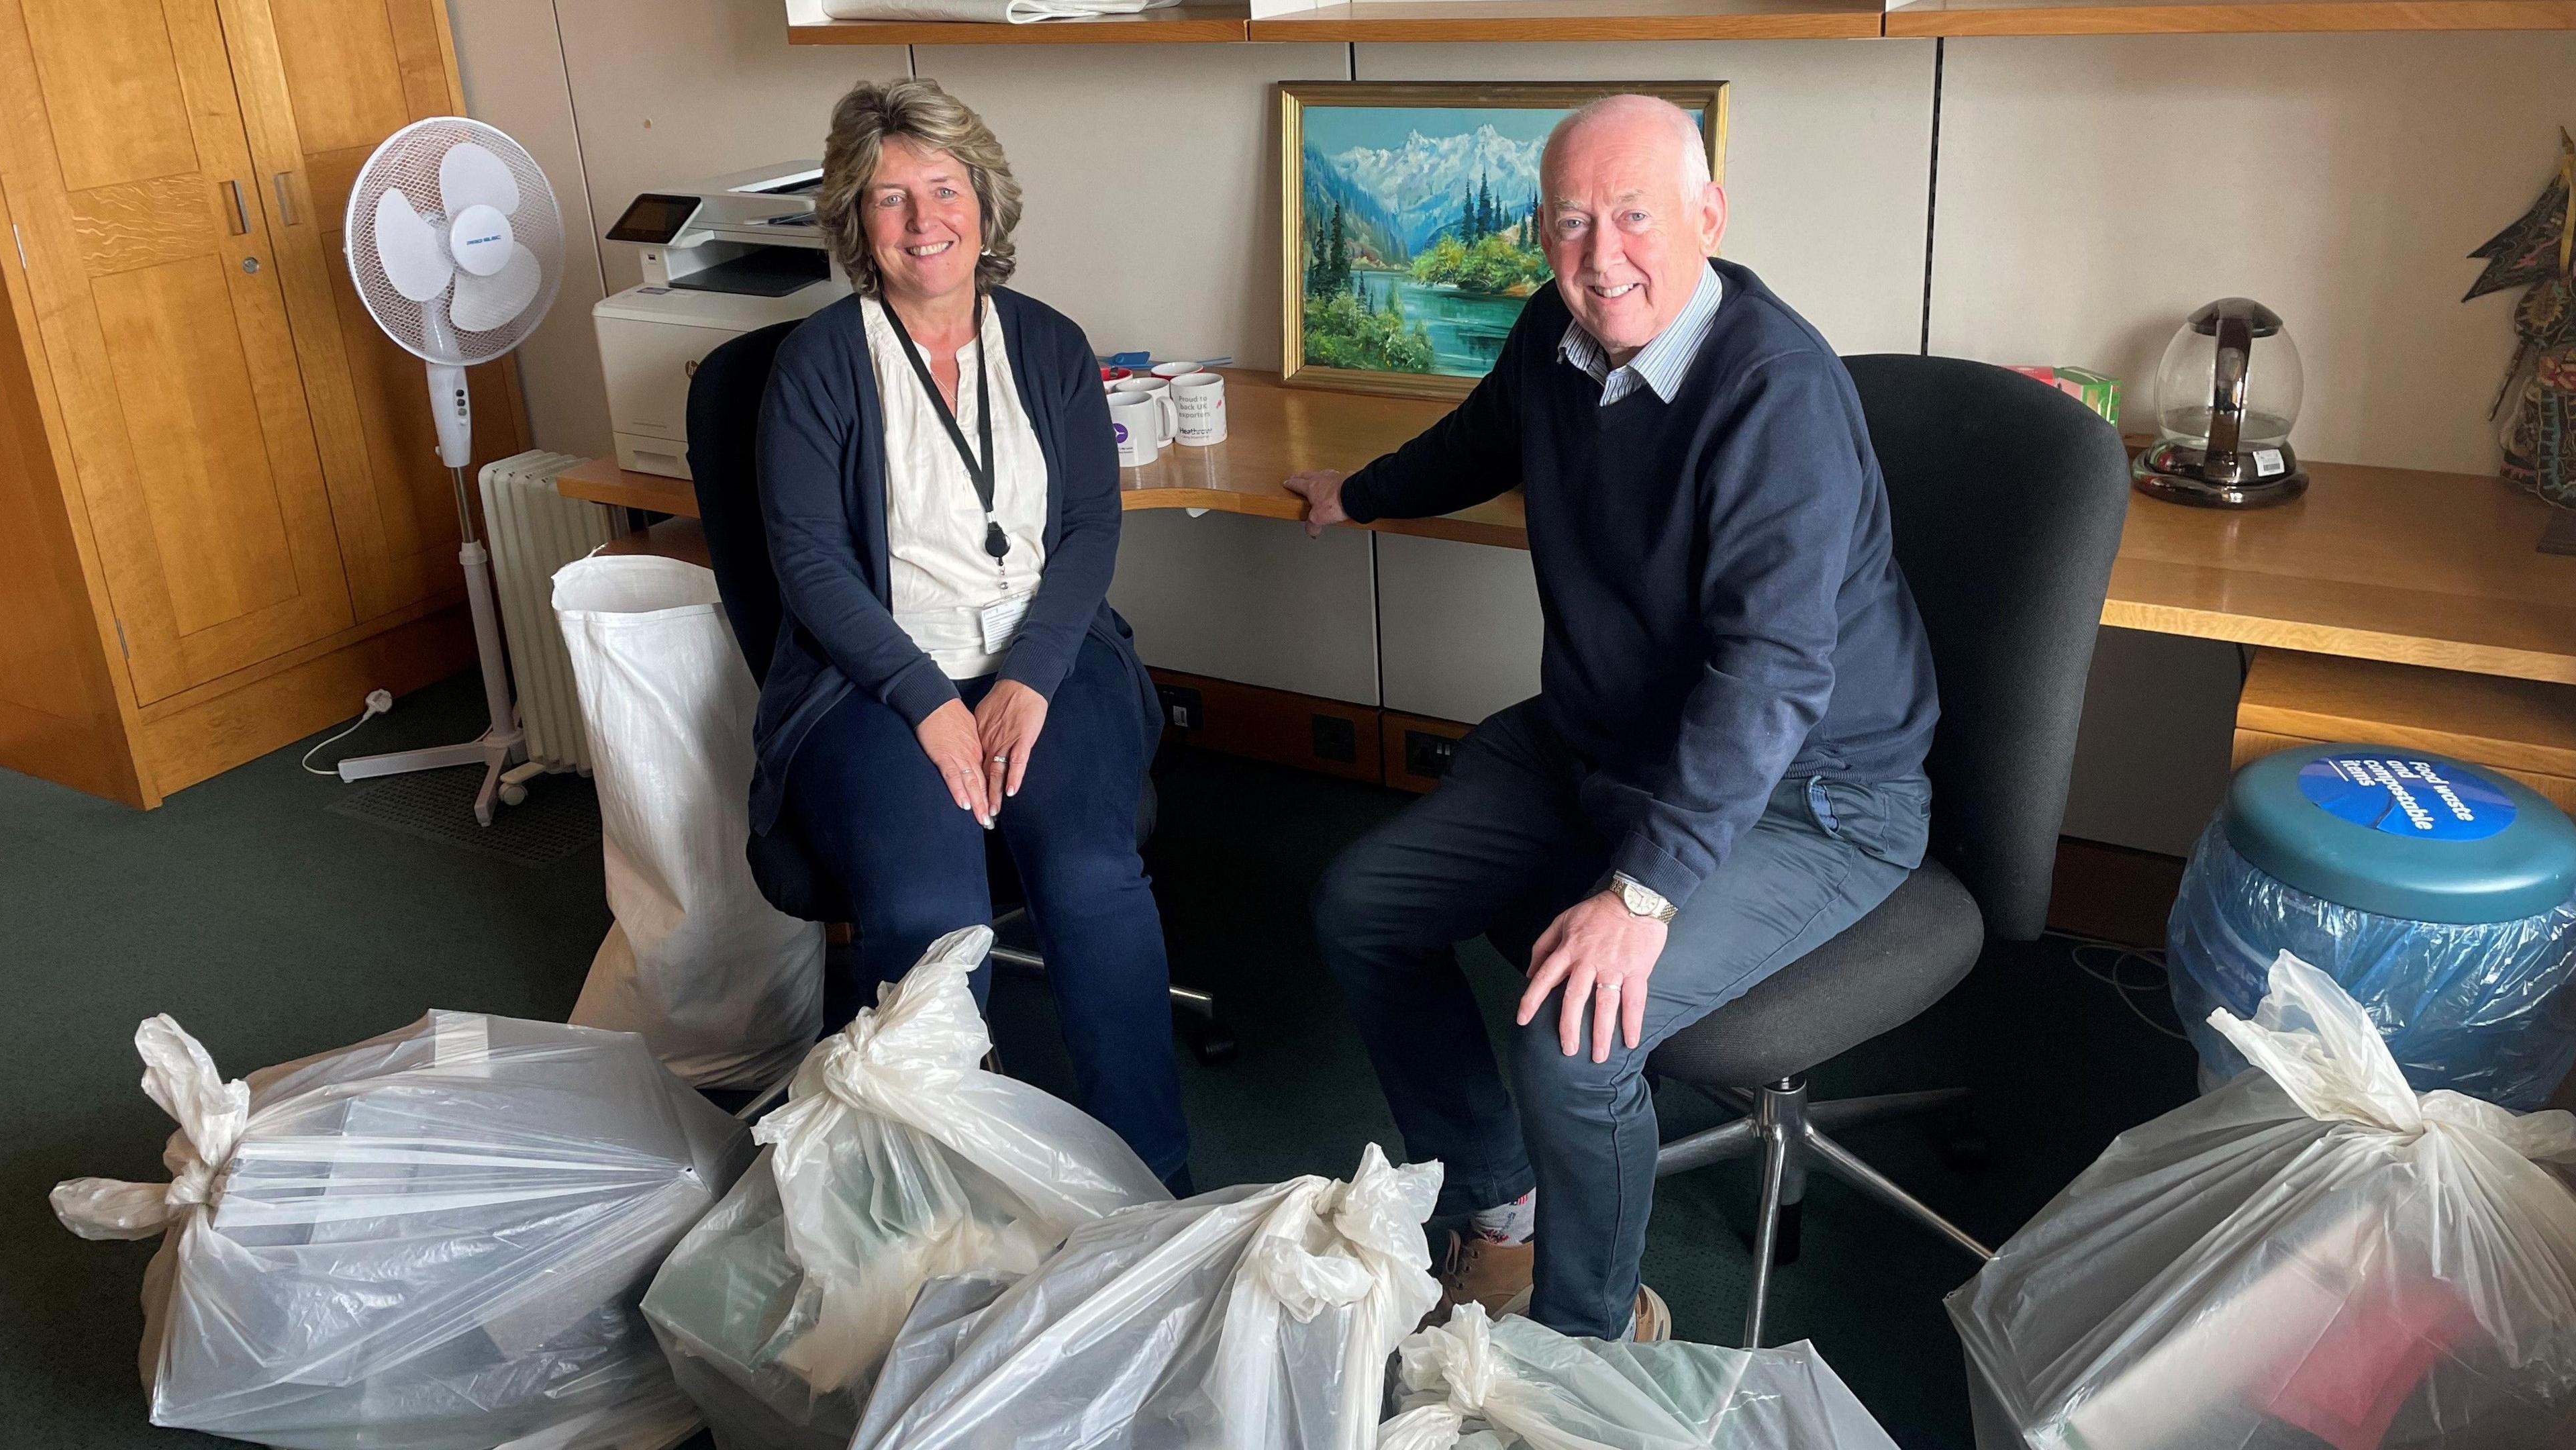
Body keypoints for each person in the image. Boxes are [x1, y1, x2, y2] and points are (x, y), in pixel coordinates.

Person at [1287, 94, 1938, 1340]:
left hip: (1815, 790)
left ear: (1709, 216)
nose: (1602, 257)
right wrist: (1354, 495)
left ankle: (1595, 1336)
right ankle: (1504, 1217)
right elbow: (1481, 441)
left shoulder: (1773, 392)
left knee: (1577, 1047)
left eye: (1635, 217)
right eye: (1572, 224)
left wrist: (1643, 895)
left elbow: (1773, 674)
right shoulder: (1556, 331)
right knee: (1363, 905)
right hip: (1605, 741)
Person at [747, 77, 1189, 1192]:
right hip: (874, 679)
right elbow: (810, 566)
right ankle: (933, 1193)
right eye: (889, 199)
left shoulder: (1048, 344)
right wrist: (929, 703)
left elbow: (1090, 527)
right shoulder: (819, 365)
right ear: (856, 222)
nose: (922, 219)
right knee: (930, 913)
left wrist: (1030, 679)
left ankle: (1156, 1187)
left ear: (985, 204)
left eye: (944, 189)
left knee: (1090, 871)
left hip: (1050, 657)